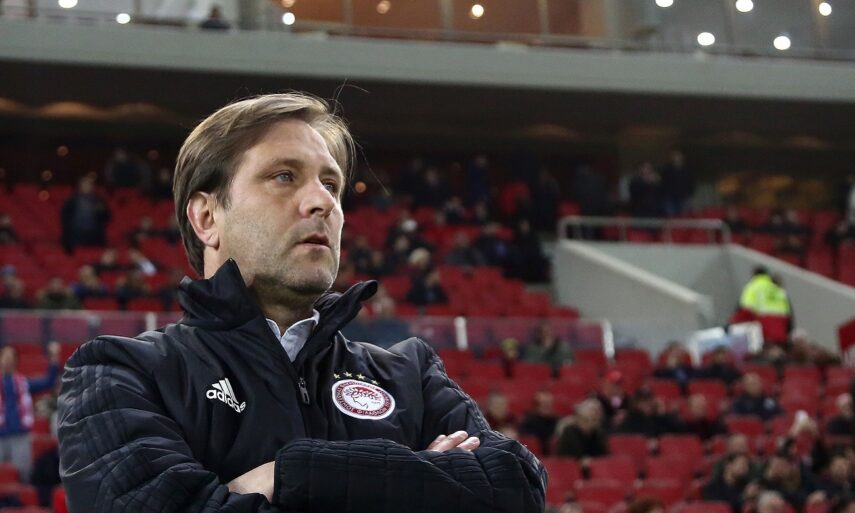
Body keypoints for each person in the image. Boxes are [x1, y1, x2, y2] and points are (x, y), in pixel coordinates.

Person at [57, 93, 545, 513]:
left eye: (330, 184)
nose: (323, 202)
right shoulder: (120, 373)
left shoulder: (409, 375)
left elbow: (517, 489)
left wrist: (286, 474)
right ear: (206, 218)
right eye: (284, 176)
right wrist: (416, 478)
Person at [0, 342, 60, 482]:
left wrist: (54, 357)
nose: (7, 359)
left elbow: (49, 382)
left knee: (23, 477)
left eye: (10, 356)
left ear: (16, 360)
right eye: (4, 356)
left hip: (20, 436)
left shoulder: (23, 383)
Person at [60, 176, 111, 253]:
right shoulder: (72, 200)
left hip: (95, 237)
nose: (87, 186)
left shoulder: (99, 201)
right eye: (85, 184)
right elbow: (64, 218)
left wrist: (102, 211)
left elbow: (107, 217)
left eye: (89, 184)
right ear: (80, 186)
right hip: (75, 236)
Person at [518, 390, 559, 456]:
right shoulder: (528, 421)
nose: (546, 406)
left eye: (548, 404)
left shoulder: (556, 420)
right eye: (543, 403)